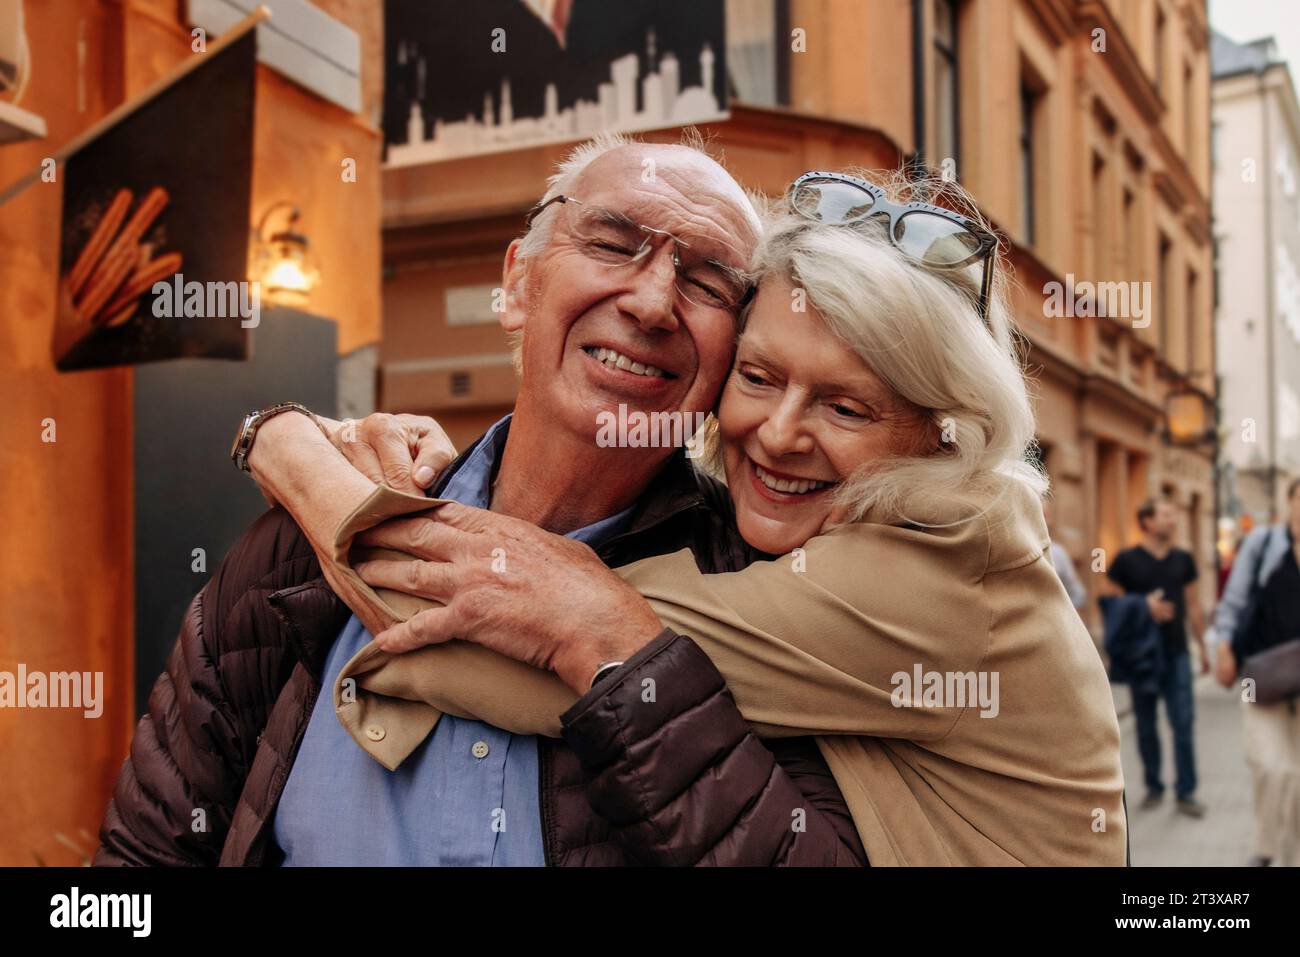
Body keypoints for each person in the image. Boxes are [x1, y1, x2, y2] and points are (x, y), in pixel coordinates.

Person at [254, 171, 1129, 865]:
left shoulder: (924, 568)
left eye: (848, 409)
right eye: (758, 378)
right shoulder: (908, 538)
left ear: (941, 432)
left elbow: (456, 629)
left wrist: (282, 442)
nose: (779, 435)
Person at [95, 133, 866, 866]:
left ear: (736, 357)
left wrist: (619, 649)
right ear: (516, 286)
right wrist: (271, 431)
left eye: (707, 282)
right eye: (611, 243)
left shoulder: (771, 589)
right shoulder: (301, 548)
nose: (655, 301)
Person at [1212, 478, 1300, 866]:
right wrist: (1223, 648)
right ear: (1290, 501)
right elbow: (1233, 601)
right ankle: (1267, 849)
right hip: (1259, 677)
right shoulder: (1263, 544)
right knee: (1269, 767)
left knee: (1297, 780)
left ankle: (1288, 855)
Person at [1103, 497, 1207, 817]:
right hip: (1141, 656)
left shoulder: (1183, 559)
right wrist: (1142, 605)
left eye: (1174, 515)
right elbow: (1111, 605)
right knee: (1146, 725)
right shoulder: (1126, 560)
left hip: (1176, 652)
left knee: (1183, 723)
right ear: (1146, 521)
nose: (1172, 520)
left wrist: (1202, 646)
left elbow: (1192, 605)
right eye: (1165, 514)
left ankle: (1186, 792)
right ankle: (1153, 787)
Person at [1045, 499, 1087, 610]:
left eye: (1045, 516)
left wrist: (1059, 612)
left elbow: (1078, 594)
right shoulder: (1010, 552)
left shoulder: (1057, 553)